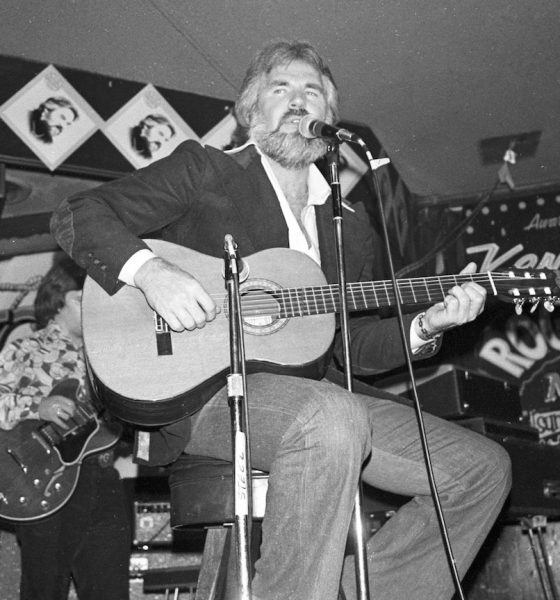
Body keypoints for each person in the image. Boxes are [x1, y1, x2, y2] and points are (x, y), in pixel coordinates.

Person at [50, 40, 511, 600]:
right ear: (251, 112)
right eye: (280, 89)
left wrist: (427, 326)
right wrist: (152, 274)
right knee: (330, 415)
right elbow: (79, 215)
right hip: (205, 395)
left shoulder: (350, 226)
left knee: (482, 469)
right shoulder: (206, 171)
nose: (297, 101)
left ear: (329, 121)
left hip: (319, 396)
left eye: (311, 91)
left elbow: (349, 347)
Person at [0, 257, 131, 600]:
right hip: (41, 480)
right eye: (81, 298)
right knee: (43, 591)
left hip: (101, 479)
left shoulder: (108, 358)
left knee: (110, 593)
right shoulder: (24, 349)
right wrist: (37, 406)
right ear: (57, 301)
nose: (93, 307)